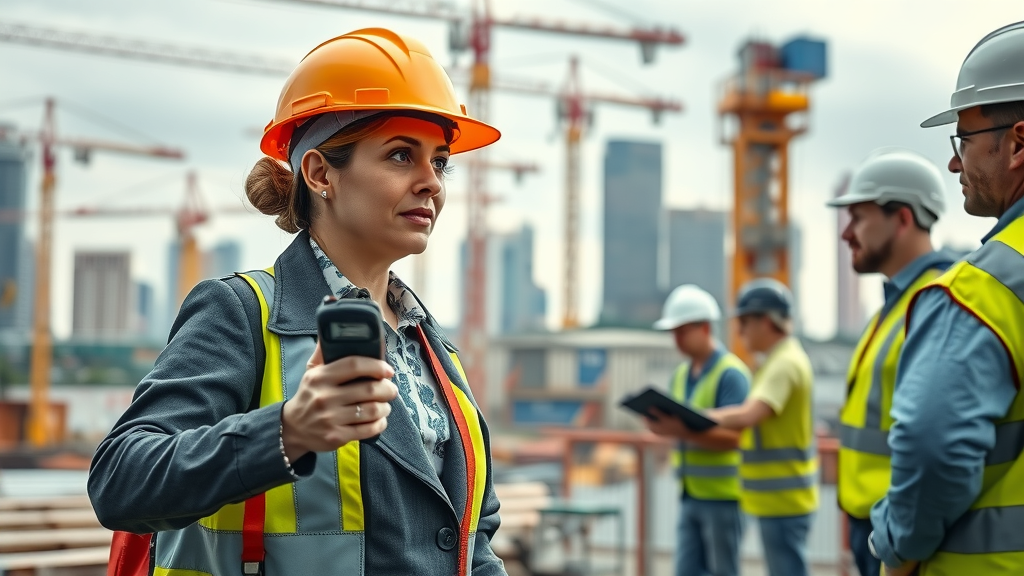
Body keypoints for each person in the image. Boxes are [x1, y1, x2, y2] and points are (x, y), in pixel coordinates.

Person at [88, 28, 508, 576]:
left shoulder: (432, 348)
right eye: (402, 155)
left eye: (441, 161)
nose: (432, 183)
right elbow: (122, 480)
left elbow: (472, 543)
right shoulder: (241, 312)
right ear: (319, 173)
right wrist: (288, 432)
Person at [868, 20, 1024, 576]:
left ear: (1018, 142)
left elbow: (933, 449)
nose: (956, 163)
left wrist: (896, 549)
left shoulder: (986, 287)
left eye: (964, 140)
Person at [825, 148, 955, 576]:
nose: (847, 234)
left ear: (901, 218)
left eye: (859, 218)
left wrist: (900, 550)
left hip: (901, 539)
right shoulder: (895, 308)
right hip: (877, 528)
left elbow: (936, 445)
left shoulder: (937, 304)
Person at [705, 278, 816, 576]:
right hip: (780, 500)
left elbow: (749, 415)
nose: (740, 332)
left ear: (766, 321)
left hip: (783, 501)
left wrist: (699, 417)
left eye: (744, 323)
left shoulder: (784, 364)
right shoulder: (780, 360)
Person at [643, 284, 751, 576]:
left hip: (724, 497)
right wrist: (661, 426)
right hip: (691, 493)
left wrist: (680, 431)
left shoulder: (731, 374)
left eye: (681, 331)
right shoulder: (681, 374)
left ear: (704, 328)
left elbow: (736, 438)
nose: (676, 340)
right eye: (673, 333)